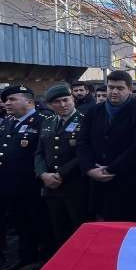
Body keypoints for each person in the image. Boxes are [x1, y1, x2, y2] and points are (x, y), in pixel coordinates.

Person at [77, 71, 136, 222]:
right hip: (98, 183)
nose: (114, 92)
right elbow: (82, 142)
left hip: (130, 186)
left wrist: (109, 169)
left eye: (119, 88)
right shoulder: (93, 112)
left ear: (129, 89)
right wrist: (89, 168)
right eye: (110, 87)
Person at [0, 85, 51, 270]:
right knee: (19, 222)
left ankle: (45, 258)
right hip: (10, 184)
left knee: (39, 221)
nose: (7, 103)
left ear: (29, 101)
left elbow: (45, 153)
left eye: (12, 99)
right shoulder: (7, 121)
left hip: (32, 184)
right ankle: (26, 255)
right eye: (6, 100)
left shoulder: (43, 120)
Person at [34, 84, 88, 247]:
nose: (63, 104)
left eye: (66, 100)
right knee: (59, 229)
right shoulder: (48, 122)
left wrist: (61, 174)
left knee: (80, 229)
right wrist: (42, 174)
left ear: (73, 99)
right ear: (50, 105)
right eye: (57, 102)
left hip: (76, 185)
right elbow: (39, 153)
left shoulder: (85, 121)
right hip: (52, 186)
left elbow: (84, 153)